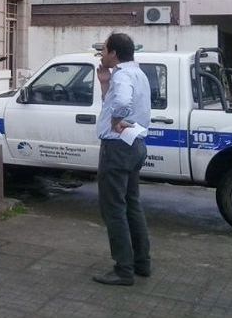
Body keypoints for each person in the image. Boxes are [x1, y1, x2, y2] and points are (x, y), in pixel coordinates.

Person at [93, 33, 152, 286]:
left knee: (114, 209)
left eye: (104, 50)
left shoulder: (123, 75)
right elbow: (118, 100)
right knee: (131, 204)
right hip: (134, 144)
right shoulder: (138, 73)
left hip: (117, 148)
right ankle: (141, 263)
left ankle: (123, 269)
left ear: (114, 53)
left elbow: (123, 102)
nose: (102, 55)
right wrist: (105, 85)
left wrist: (117, 119)